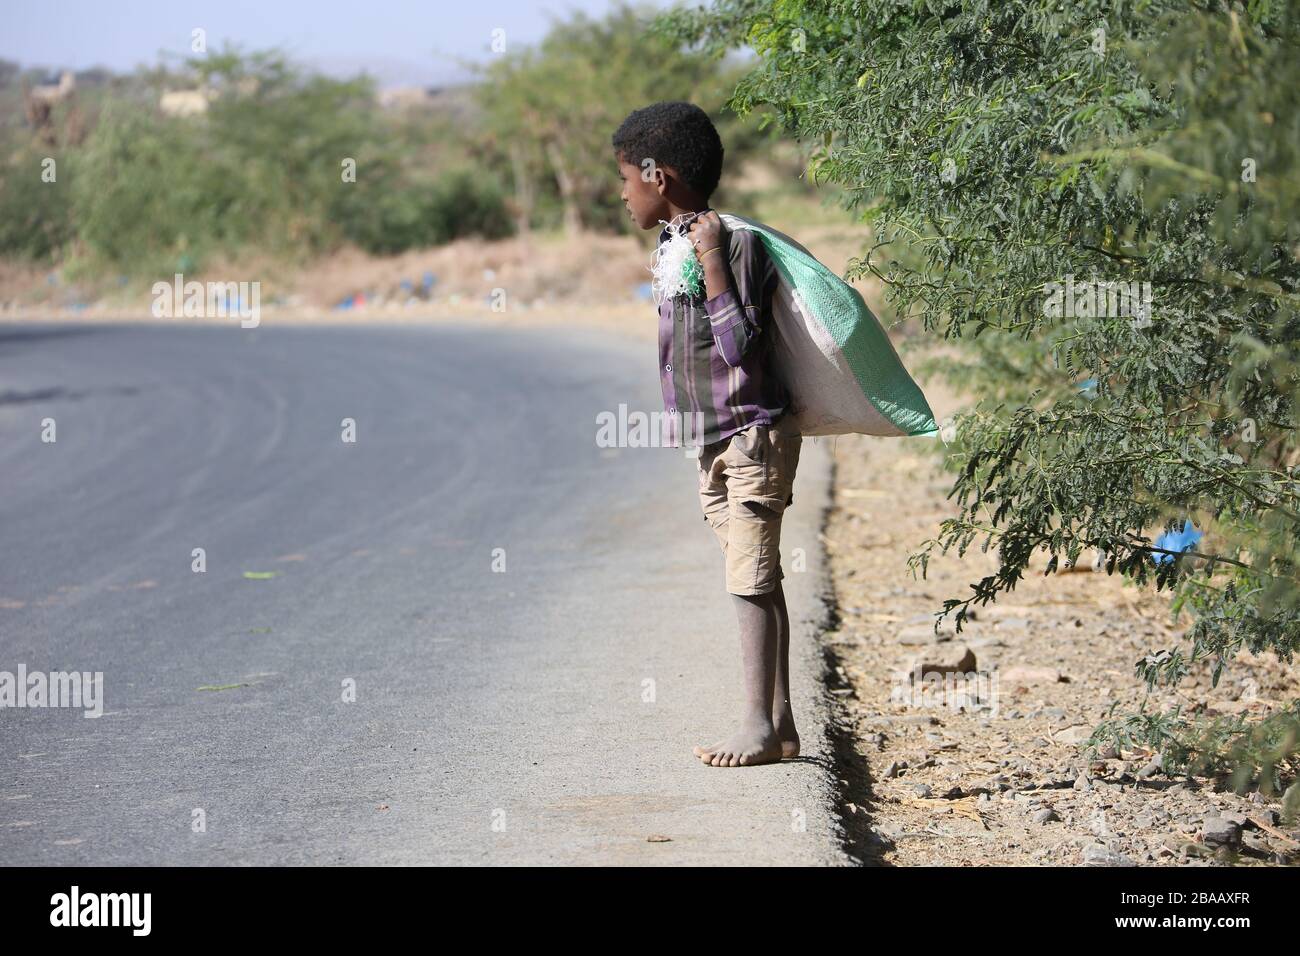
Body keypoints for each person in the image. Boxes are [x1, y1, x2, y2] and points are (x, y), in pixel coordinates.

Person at [612, 101, 802, 767]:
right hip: (716, 441)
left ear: (656, 175)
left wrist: (714, 259)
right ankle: (780, 725)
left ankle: (756, 722)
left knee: (748, 579)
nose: (621, 194)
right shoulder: (672, 243)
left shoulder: (731, 242)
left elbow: (740, 346)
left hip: (752, 435)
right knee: (754, 573)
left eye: (624, 180)